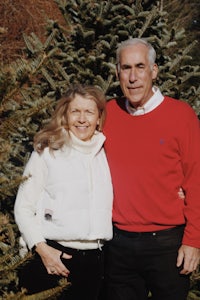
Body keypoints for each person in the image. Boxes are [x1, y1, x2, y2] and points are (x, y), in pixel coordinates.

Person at [103, 38, 200, 300]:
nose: (133, 77)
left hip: (167, 245)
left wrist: (193, 241)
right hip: (118, 242)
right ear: (117, 73)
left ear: (154, 71)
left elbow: (196, 181)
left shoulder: (181, 116)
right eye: (126, 68)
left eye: (140, 67)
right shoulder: (106, 114)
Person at [14, 84, 113, 300]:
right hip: (53, 257)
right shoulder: (48, 151)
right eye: (75, 111)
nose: (82, 119)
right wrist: (42, 249)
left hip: (96, 261)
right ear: (65, 115)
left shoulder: (105, 153)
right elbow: (23, 207)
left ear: (99, 118)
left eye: (89, 112)